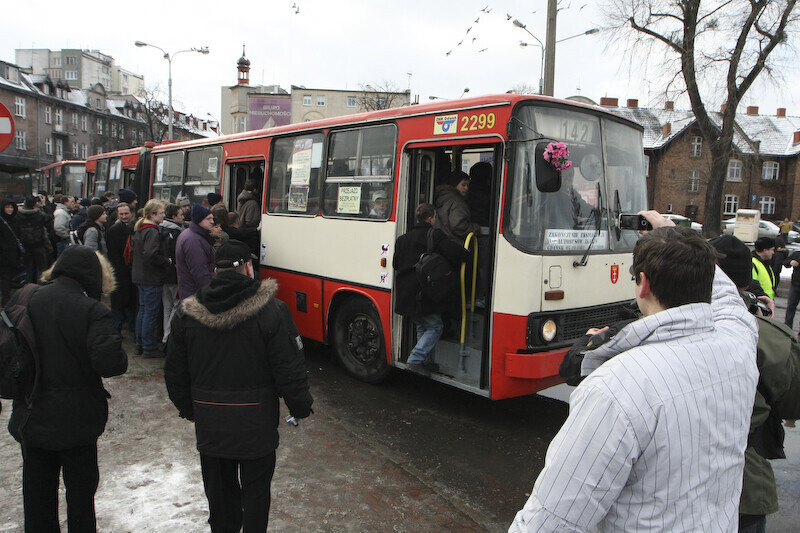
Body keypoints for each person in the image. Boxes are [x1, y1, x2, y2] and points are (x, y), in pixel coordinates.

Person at [509, 211, 759, 532]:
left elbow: (552, 521)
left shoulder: (615, 386)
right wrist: (676, 238)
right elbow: (729, 303)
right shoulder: (738, 344)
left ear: (643, 285)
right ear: (705, 279)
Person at [165, 239, 313, 532]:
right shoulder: (273, 311)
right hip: (256, 422)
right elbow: (289, 368)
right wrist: (300, 406)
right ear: (248, 267)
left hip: (210, 422)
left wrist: (191, 410)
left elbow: (174, 372)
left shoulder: (186, 313)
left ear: (215, 271)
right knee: (256, 495)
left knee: (220, 498)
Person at [7, 245, 127, 532]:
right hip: (78, 420)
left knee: (37, 497)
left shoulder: (28, 298)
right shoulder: (91, 310)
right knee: (80, 498)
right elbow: (111, 364)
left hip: (32, 412)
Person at [709, 234, 800, 533]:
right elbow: (794, 401)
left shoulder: (664, 323)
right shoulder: (763, 335)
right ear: (747, 284)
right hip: (744, 487)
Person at [393, 203, 469, 373]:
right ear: (430, 218)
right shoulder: (434, 235)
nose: (435, 219)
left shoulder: (402, 239)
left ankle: (425, 361)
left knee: (423, 326)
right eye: (435, 217)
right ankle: (415, 359)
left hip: (406, 293)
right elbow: (456, 252)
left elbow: (396, 264)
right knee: (435, 327)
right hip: (423, 293)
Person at [131, 199, 169, 358]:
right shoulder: (152, 231)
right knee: (150, 312)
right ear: (152, 214)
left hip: (139, 275)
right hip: (151, 276)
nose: (164, 215)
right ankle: (149, 346)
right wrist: (166, 261)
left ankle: (140, 343)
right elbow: (151, 254)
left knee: (143, 310)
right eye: (161, 213)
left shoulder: (140, 228)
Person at [106, 202, 137, 334]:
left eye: (126, 213)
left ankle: (128, 327)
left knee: (128, 302)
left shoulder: (133, 228)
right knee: (119, 303)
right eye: (121, 214)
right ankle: (117, 330)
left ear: (131, 213)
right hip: (120, 272)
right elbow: (113, 255)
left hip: (129, 272)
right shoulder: (113, 231)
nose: (124, 216)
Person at [175, 204, 216, 300]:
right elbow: (200, 272)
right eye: (208, 219)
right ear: (199, 220)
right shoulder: (193, 241)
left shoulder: (191, 235)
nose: (212, 222)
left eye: (212, 218)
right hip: (196, 295)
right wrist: (210, 293)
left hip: (192, 293)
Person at [159, 203, 184, 345]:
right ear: (174, 216)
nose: (183, 217)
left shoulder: (158, 230)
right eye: (181, 215)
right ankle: (168, 337)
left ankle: (165, 335)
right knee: (176, 305)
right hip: (174, 274)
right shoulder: (177, 233)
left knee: (167, 307)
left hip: (162, 274)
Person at [434, 170, 480, 242]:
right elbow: (458, 226)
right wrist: (476, 228)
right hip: (454, 242)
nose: (466, 188)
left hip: (441, 241)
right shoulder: (457, 201)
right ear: (454, 184)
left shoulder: (442, 197)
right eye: (463, 185)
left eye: (468, 185)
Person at [16, 196, 52, 284]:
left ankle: (28, 285)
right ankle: (40, 285)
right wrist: (44, 205)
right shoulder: (39, 215)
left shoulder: (18, 215)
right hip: (39, 244)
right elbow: (49, 217)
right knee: (41, 267)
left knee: (28, 267)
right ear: (35, 204)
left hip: (25, 244)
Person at [0, 198, 24, 305]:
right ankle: (6, 301)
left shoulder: (15, 220)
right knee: (6, 277)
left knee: (10, 277)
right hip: (4, 255)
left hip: (13, 254)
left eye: (11, 207)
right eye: (7, 207)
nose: (10, 210)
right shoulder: (3, 221)